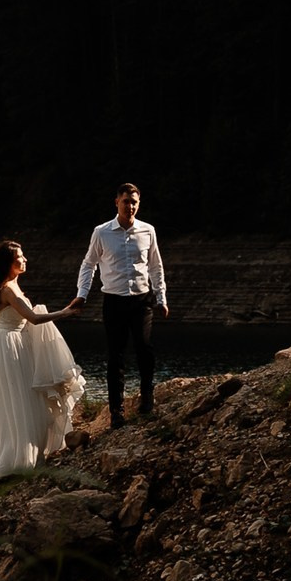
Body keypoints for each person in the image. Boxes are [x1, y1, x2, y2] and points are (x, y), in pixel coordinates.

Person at [0, 239, 85, 480]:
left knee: (27, 397)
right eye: (19, 258)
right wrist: (66, 312)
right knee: (20, 398)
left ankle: (33, 454)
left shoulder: (13, 285)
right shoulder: (7, 289)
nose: (25, 260)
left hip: (17, 343)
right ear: (8, 263)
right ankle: (18, 457)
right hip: (9, 345)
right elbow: (33, 318)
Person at [75, 181, 168, 427]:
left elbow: (155, 266)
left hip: (141, 299)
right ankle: (116, 412)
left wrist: (162, 297)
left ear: (139, 204)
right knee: (116, 356)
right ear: (117, 202)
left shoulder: (148, 230)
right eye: (126, 201)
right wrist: (82, 294)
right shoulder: (102, 232)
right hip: (114, 301)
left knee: (144, 348)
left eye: (134, 202)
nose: (130, 207)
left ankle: (147, 397)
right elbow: (88, 264)